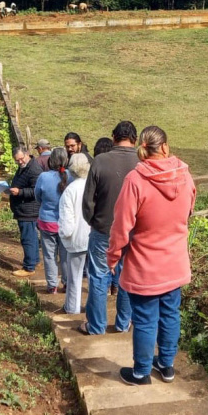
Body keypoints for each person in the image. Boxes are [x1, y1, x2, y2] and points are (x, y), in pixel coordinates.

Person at [107, 125, 196, 385]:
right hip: (175, 262)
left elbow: (121, 226)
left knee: (145, 319)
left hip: (145, 265)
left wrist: (113, 257)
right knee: (170, 315)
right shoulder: (186, 176)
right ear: (165, 147)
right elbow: (188, 211)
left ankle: (141, 372)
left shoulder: (136, 181)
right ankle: (166, 366)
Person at [78, 121, 139, 335]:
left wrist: (94, 221)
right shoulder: (142, 162)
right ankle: (123, 324)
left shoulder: (100, 161)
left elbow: (88, 202)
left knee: (98, 276)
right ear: (135, 139)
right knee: (127, 278)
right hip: (133, 233)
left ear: (113, 137)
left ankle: (96, 325)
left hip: (104, 229)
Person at [58, 153, 91, 314]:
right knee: (95, 278)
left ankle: (72, 308)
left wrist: (64, 236)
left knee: (74, 278)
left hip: (76, 240)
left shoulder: (70, 191)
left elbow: (67, 221)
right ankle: (94, 309)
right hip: (94, 238)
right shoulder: (94, 186)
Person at [33, 148, 69, 293]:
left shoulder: (43, 177)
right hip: (65, 223)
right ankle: (66, 282)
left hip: (47, 222)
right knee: (65, 255)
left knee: (49, 255)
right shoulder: (70, 176)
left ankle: (52, 285)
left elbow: (37, 196)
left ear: (50, 160)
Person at [7, 146, 43, 278]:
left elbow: (36, 190)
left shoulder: (34, 169)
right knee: (31, 237)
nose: (20, 162)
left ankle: (29, 267)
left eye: (21, 159)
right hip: (24, 208)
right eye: (17, 161)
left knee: (27, 238)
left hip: (28, 209)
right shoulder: (25, 166)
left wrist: (19, 192)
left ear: (27, 154)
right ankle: (34, 260)